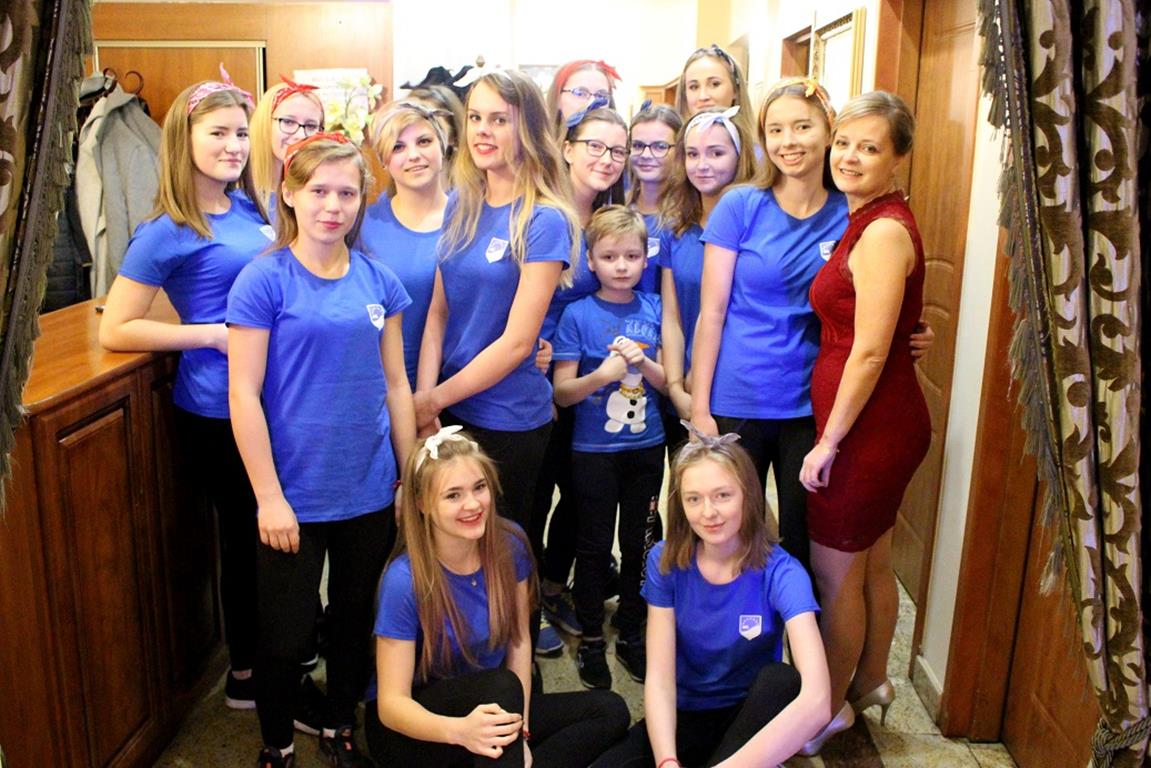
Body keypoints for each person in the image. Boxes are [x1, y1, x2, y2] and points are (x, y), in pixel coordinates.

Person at [690, 79, 933, 577]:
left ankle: (796, 629)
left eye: (803, 127)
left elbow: (870, 297)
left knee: (802, 546)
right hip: (738, 397)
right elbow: (710, 313)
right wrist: (699, 409)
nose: (789, 141)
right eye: (775, 130)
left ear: (828, 131)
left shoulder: (851, 210)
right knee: (730, 536)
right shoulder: (740, 206)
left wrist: (912, 331)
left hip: (810, 404)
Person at [227, 134, 415, 768]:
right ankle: (278, 743)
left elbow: (396, 385)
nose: (333, 206)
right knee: (284, 636)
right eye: (319, 191)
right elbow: (244, 394)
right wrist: (268, 497)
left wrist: (407, 477)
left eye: (347, 193)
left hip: (367, 486)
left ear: (362, 200)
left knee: (354, 621)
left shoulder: (379, 281)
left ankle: (339, 724)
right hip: (293, 496)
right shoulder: (263, 280)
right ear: (289, 194)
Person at [99, 74, 267, 711]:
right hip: (216, 407)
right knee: (247, 539)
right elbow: (117, 328)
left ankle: (276, 655)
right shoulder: (165, 229)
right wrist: (211, 335)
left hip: (270, 398)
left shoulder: (249, 209)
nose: (233, 146)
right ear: (183, 139)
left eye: (240, 134)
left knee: (274, 537)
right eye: (218, 133)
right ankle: (247, 674)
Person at [367, 427, 631, 767]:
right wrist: (462, 732)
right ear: (422, 504)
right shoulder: (404, 580)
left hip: (492, 705)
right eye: (453, 495)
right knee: (502, 688)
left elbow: (519, 643)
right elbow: (392, 705)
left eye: (479, 487)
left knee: (610, 710)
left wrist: (522, 734)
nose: (473, 504)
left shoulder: (511, 545)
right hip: (417, 726)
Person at [797, 91, 930, 755]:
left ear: (897, 158)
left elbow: (871, 350)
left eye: (869, 147)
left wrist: (828, 441)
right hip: (876, 422)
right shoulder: (868, 219)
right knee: (872, 559)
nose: (849, 156)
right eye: (844, 142)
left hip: (867, 432)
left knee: (836, 575)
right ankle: (871, 679)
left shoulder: (881, 232)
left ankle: (824, 710)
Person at [415, 69, 579, 568]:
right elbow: (439, 313)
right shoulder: (459, 204)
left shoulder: (544, 219)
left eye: (499, 120)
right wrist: (426, 401)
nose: (482, 131)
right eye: (475, 118)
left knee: (502, 560)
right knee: (450, 554)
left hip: (508, 418)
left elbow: (517, 342)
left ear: (527, 129)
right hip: (450, 409)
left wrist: (433, 399)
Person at [592, 429, 829, 768]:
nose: (708, 512)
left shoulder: (783, 572)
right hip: (687, 713)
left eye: (722, 496)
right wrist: (667, 761)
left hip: (749, 716)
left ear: (748, 496)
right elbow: (659, 679)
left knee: (782, 680)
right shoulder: (665, 560)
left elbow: (818, 701)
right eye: (694, 499)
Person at [531, 101, 632, 657]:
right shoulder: (539, 211)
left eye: (617, 149)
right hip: (533, 376)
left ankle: (552, 585)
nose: (606, 158)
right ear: (566, 148)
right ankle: (523, 604)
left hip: (589, 382)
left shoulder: (606, 219)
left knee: (578, 493)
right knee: (533, 495)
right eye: (594, 145)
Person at [552, 206, 665, 689]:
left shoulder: (655, 308)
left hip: (647, 448)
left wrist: (646, 365)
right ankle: (592, 636)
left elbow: (669, 381)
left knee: (641, 542)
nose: (622, 265)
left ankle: (634, 628)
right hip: (592, 452)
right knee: (595, 545)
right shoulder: (577, 314)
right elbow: (562, 393)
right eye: (610, 256)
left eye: (632, 256)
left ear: (645, 260)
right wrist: (602, 376)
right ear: (591, 261)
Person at [657, 106, 757, 453]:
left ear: (739, 157)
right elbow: (671, 317)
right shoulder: (676, 229)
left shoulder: (755, 226)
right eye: (693, 154)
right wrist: (674, 386)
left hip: (735, 382)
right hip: (684, 386)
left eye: (716, 153)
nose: (702, 165)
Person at [361, 101, 450, 388]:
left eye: (424, 141)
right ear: (383, 160)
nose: (414, 155)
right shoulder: (363, 227)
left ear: (442, 145)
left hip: (462, 386)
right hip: (385, 386)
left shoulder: (471, 220)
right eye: (398, 147)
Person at [249, 77, 324, 215]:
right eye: (288, 122)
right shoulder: (239, 200)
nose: (301, 135)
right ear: (265, 125)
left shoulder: (324, 201)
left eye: (311, 126)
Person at [673, 45, 755, 141]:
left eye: (715, 84)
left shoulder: (758, 149)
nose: (703, 96)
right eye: (694, 87)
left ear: (735, 90)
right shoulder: (672, 147)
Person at [545, 59, 621, 137]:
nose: (592, 102)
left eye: (601, 95)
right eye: (580, 93)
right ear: (558, 99)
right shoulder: (541, 143)